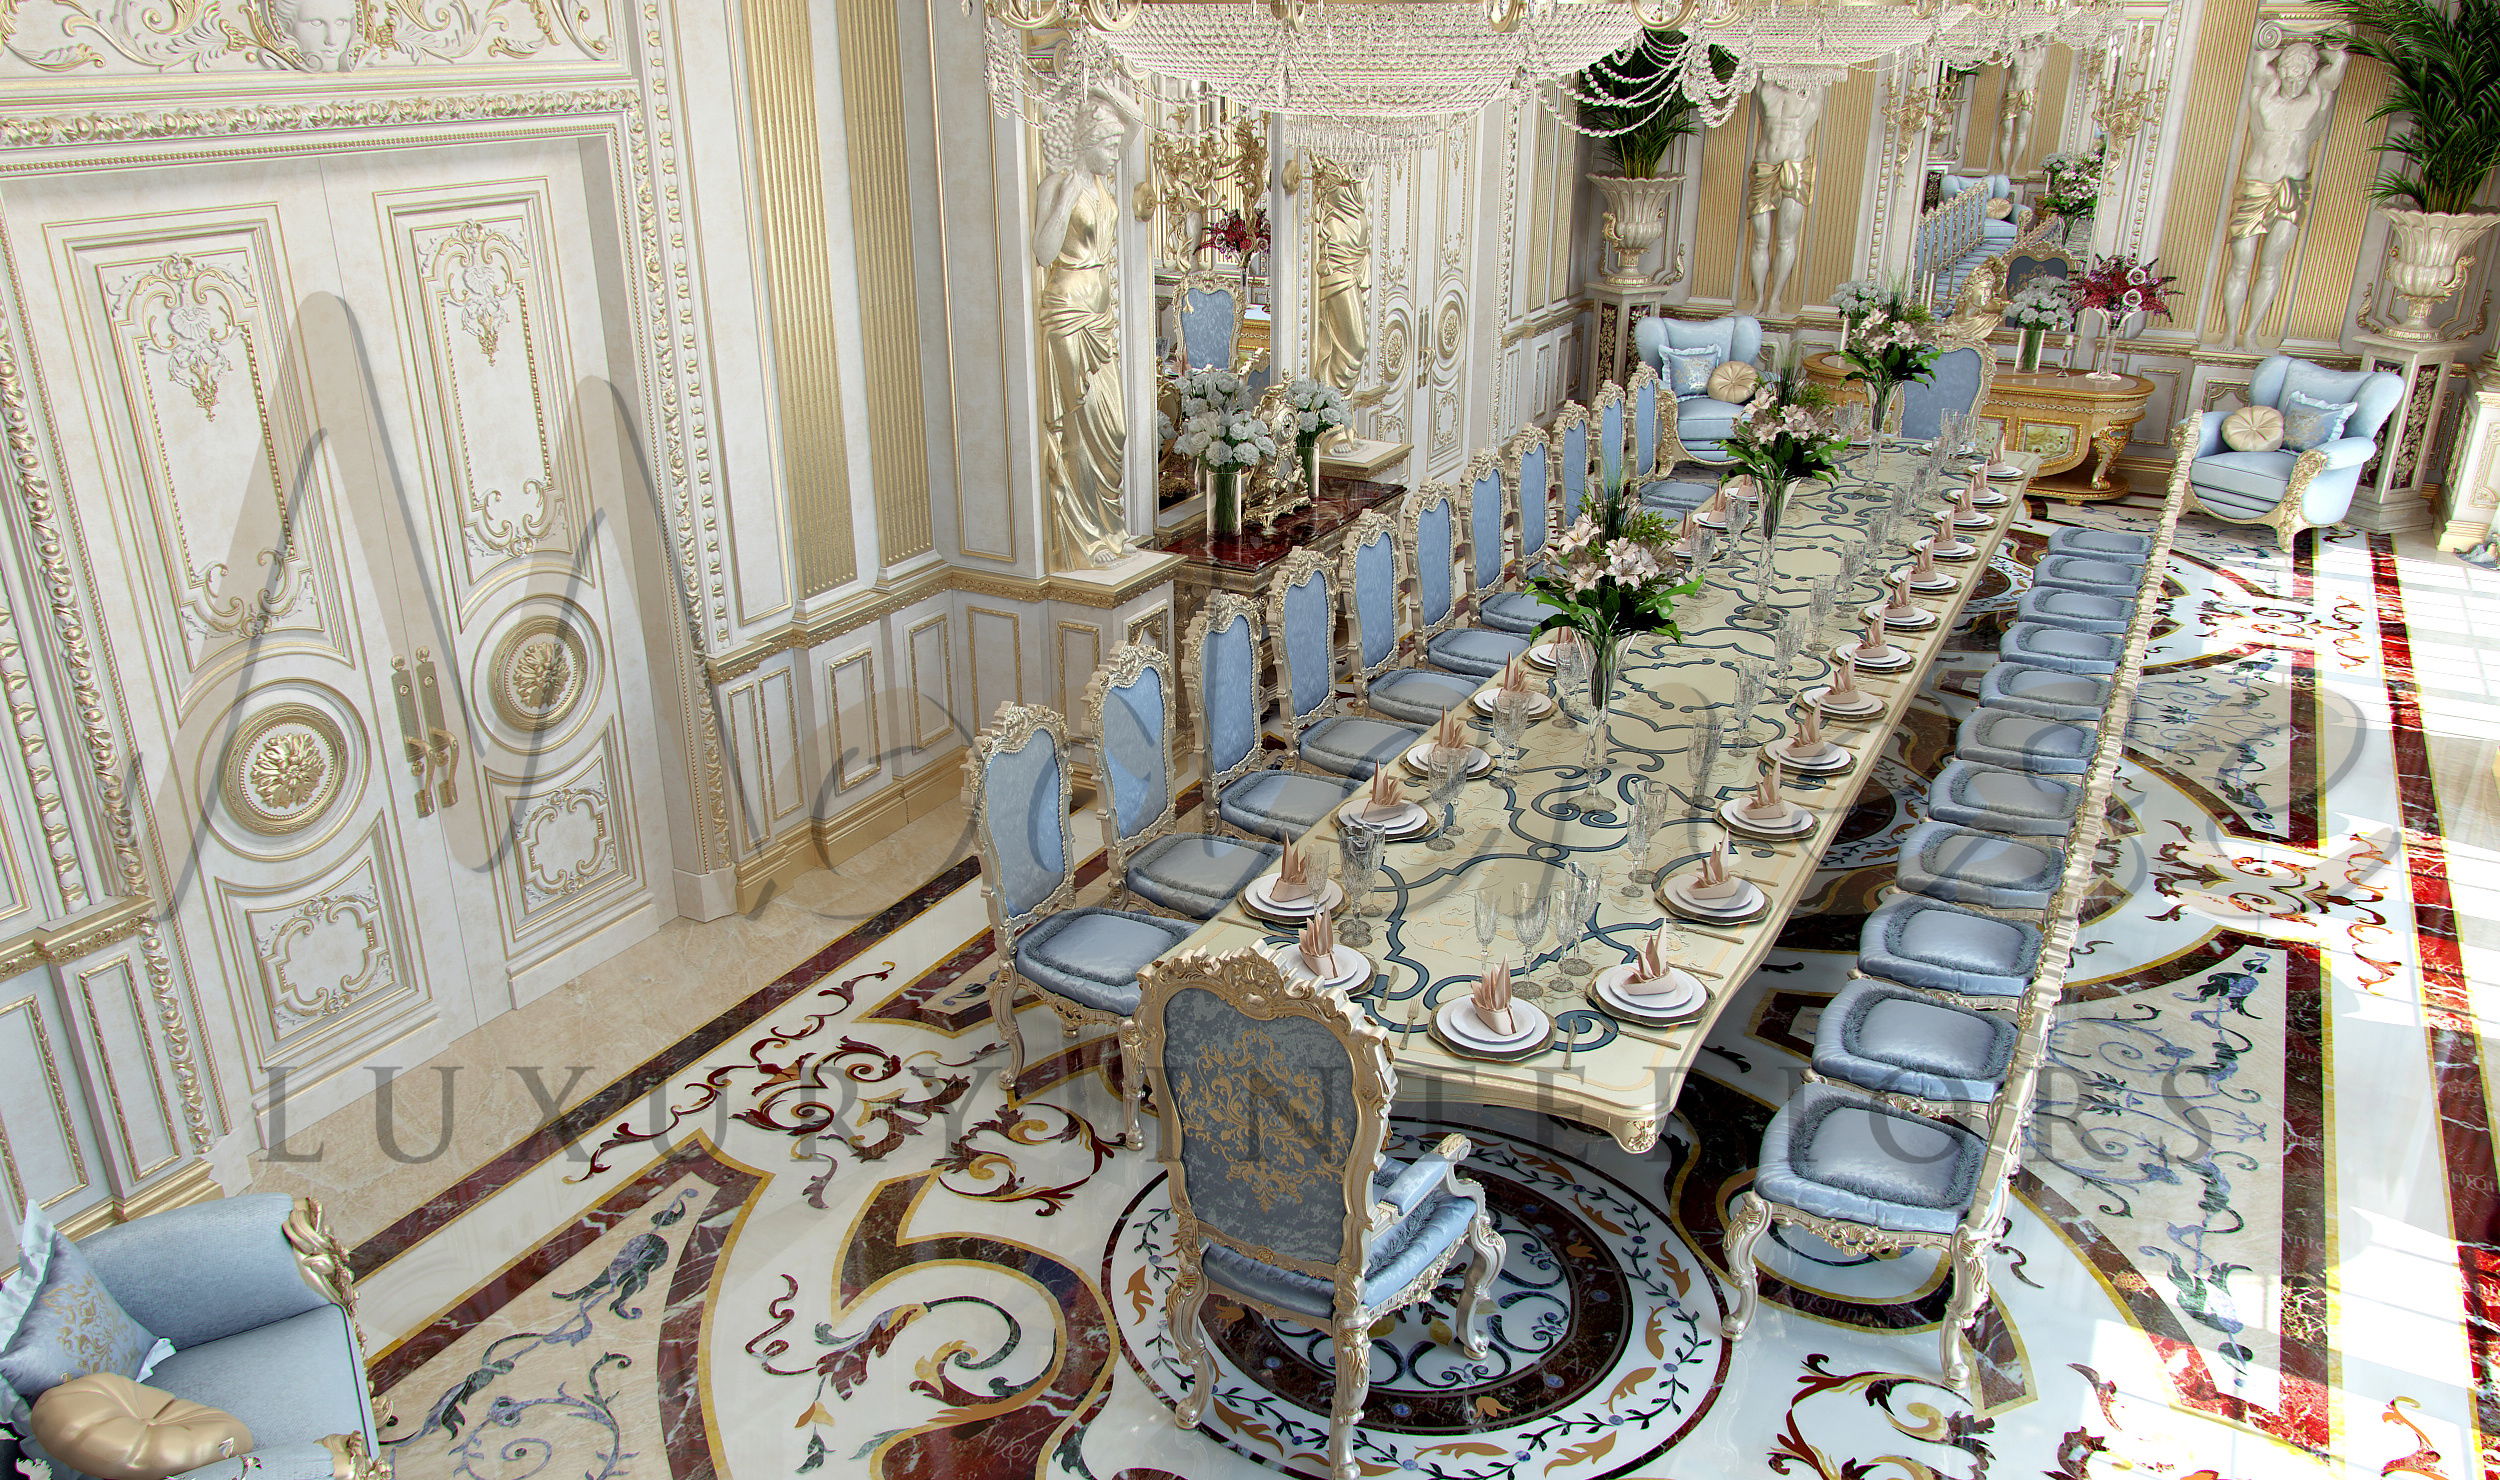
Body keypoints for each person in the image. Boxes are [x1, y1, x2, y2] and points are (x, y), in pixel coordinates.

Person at [1034, 87, 1143, 571]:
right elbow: (1043, 251)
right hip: (1067, 312)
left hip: (1100, 316)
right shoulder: (1058, 184)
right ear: (1088, 142)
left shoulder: (1103, 183)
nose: (1117, 155)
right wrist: (1067, 198)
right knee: (1077, 427)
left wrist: (1102, 85)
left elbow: (1136, 123)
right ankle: (1085, 538)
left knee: (1113, 429)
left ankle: (1110, 528)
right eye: (1110, 146)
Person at [2220, 37, 2349, 349]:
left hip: (2291, 188)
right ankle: (2229, 331)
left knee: (2270, 264)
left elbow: (2338, 66)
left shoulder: (2316, 100)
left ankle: (2251, 333)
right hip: (2255, 185)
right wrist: (2277, 51)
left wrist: (2325, 51)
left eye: (2301, 74)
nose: (2294, 80)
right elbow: (2260, 63)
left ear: (2310, 72)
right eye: (2289, 73)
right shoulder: (2265, 96)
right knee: (2240, 262)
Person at [1746, 73, 1828, 316]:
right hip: (1763, 165)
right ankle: (1759, 298)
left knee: (1785, 238)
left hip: (1794, 167)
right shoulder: (1765, 86)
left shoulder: (1811, 87)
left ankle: (1775, 299)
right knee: (1760, 238)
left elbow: (1824, 71)